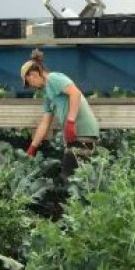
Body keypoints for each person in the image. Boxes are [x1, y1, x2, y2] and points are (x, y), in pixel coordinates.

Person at [21, 48, 100, 178]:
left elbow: (75, 93)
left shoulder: (53, 78)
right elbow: (45, 123)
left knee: (70, 176)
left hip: (83, 131)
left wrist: (70, 122)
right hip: (74, 135)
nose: (32, 86)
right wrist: (32, 148)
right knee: (76, 178)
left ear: (34, 74)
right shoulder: (47, 94)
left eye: (29, 83)